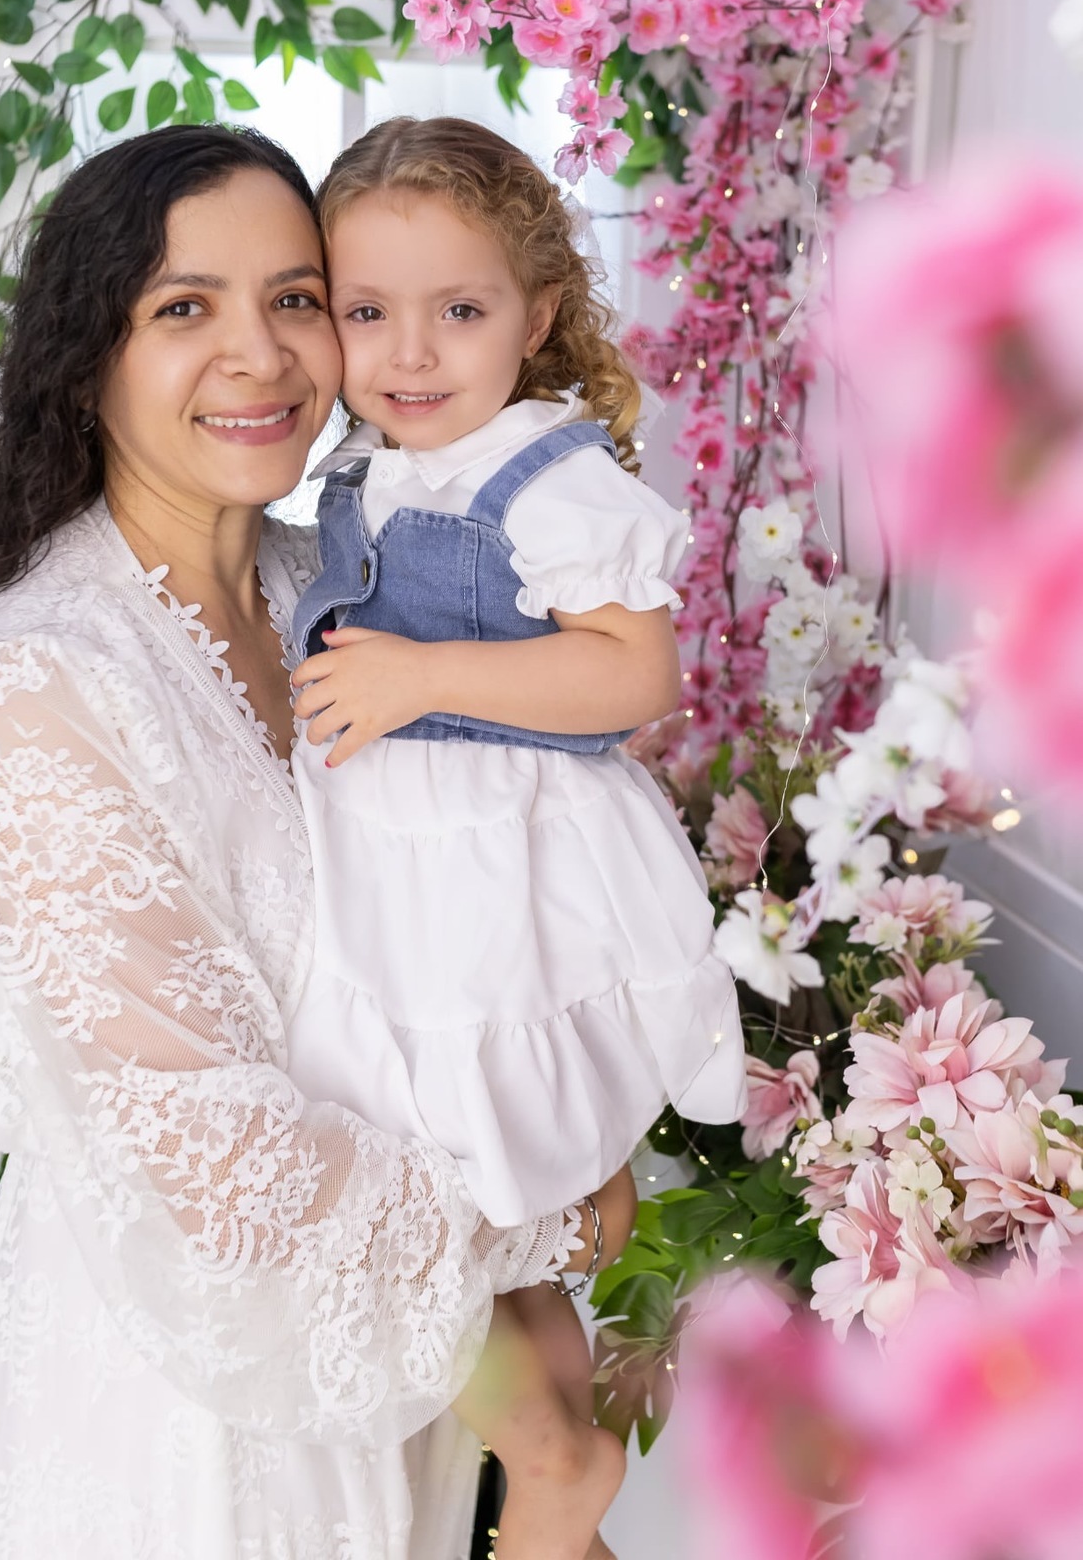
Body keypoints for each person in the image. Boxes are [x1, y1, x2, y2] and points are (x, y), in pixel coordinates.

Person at [0, 123, 636, 1559]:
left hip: (419, 1390)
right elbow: (216, 1178)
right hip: (187, 1435)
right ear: (86, 359)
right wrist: (542, 1204)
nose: (262, 354)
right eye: (185, 307)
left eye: (297, 298)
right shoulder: (45, 685)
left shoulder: (339, 589)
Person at [285, 116, 749, 1560]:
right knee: (476, 1218)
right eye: (368, 312)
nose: (410, 353)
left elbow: (633, 676)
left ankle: (547, 1470)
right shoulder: (373, 462)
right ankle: (559, 1478)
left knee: (425, 1189)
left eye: (461, 311)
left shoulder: (547, 478)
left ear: (536, 317)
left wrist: (424, 678)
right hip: (405, 876)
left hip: (488, 887)